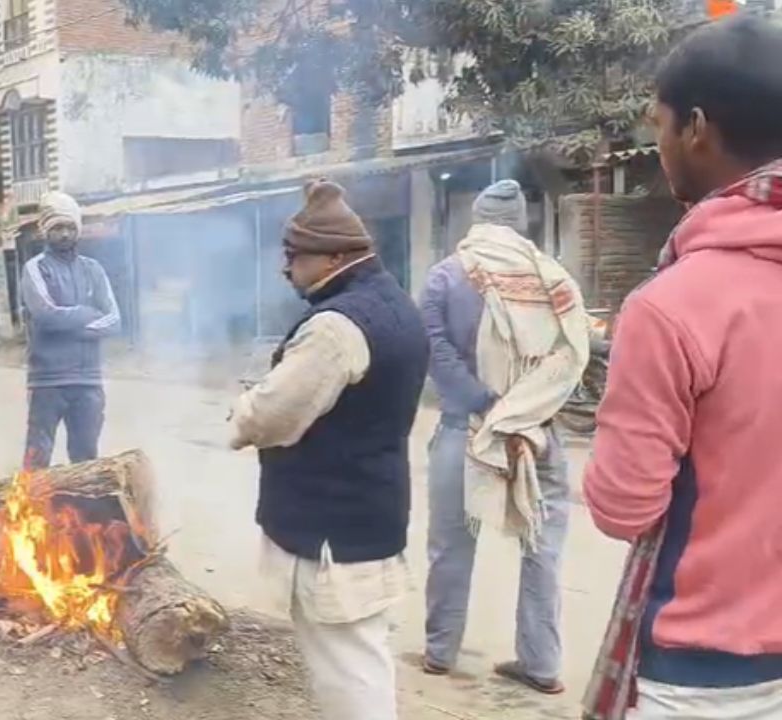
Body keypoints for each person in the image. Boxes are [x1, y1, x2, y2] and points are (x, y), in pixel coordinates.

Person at [582, 16, 782, 720]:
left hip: (704, 675)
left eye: (659, 124)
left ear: (696, 127)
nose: (658, 144)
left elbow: (622, 506)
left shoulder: (673, 307)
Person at [229, 180, 427, 720]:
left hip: (334, 534)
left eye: (295, 257)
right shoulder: (393, 303)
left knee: (348, 674)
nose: (287, 269)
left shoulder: (337, 327)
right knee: (362, 653)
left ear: (335, 257)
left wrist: (239, 416)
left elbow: (272, 414)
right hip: (369, 515)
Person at [418, 179, 589, 695]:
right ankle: (541, 664)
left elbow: (435, 352)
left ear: (477, 220)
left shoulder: (448, 275)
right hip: (539, 435)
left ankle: (440, 653)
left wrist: (488, 406)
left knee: (451, 545)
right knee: (542, 550)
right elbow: (570, 359)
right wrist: (522, 410)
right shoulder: (553, 277)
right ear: (520, 224)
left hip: (466, 429)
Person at [19, 192, 120, 469]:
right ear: (44, 231)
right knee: (37, 458)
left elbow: (114, 320)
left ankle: (84, 513)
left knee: (86, 460)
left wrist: (70, 323)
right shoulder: (35, 269)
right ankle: (33, 511)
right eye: (57, 228)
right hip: (47, 381)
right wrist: (87, 315)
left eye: (70, 227)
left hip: (88, 382)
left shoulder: (93, 270)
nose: (64, 234)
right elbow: (46, 315)